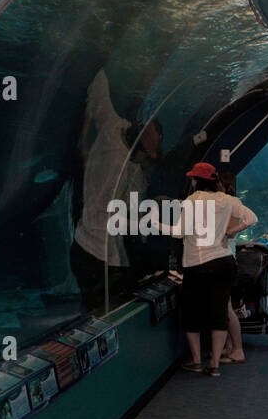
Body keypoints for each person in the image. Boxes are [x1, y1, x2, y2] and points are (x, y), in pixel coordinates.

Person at [70, 69, 162, 313]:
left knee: (98, 310)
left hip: (94, 249)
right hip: (97, 252)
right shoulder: (122, 155)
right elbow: (124, 216)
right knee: (101, 310)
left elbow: (98, 89)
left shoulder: (117, 132)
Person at [160, 162, 256, 377]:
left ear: (196, 180)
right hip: (224, 263)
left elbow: (179, 232)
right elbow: (251, 218)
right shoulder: (228, 200)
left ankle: (196, 361)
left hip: (198, 264)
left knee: (192, 312)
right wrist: (232, 232)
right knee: (219, 312)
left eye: (192, 178)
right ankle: (214, 364)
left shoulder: (193, 200)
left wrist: (156, 224)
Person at [217, 170, 255, 364]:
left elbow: (228, 232)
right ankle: (230, 347)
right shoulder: (228, 204)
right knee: (225, 307)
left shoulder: (231, 205)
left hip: (225, 259)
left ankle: (238, 349)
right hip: (225, 258)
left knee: (226, 309)